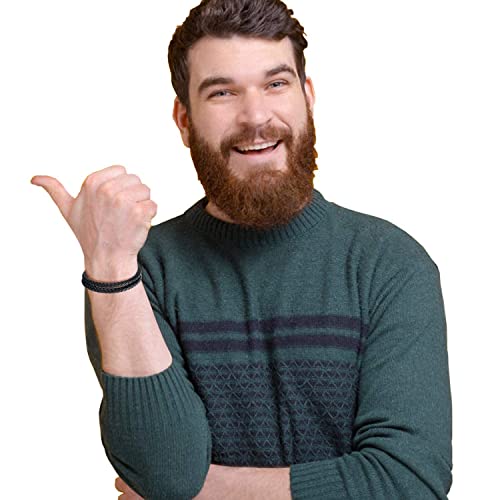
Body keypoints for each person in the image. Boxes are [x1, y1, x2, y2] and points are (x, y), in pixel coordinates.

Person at [31, 0, 453, 498]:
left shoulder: (389, 265)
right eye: (222, 92)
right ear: (184, 120)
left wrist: (202, 491)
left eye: (276, 84)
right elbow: (163, 469)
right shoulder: (137, 271)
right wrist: (109, 268)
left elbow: (408, 482)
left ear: (307, 96)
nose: (255, 116)